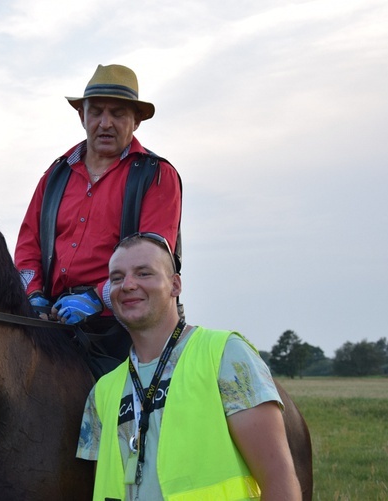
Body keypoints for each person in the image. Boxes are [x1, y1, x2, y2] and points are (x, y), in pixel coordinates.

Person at [77, 233, 301, 500]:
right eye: (117, 277)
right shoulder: (102, 391)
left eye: (144, 273)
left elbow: (279, 479)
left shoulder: (225, 355)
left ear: (175, 285)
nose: (127, 285)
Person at [15, 63, 182, 367]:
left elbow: (153, 260)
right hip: (52, 319)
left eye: (118, 114)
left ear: (137, 120)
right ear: (82, 116)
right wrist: (34, 294)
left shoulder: (157, 175)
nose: (105, 123)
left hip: (125, 325)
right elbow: (28, 248)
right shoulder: (54, 175)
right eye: (96, 112)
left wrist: (96, 297)